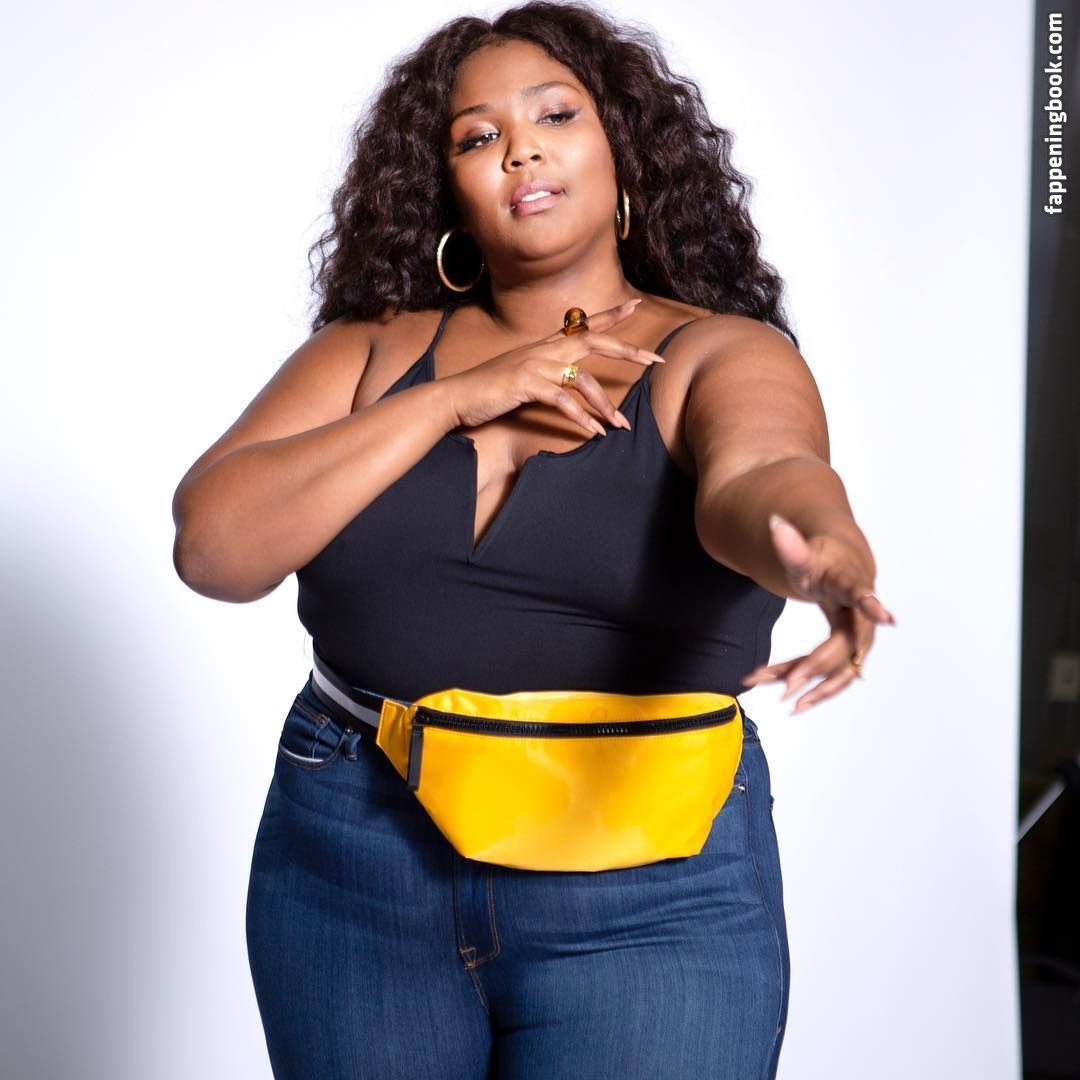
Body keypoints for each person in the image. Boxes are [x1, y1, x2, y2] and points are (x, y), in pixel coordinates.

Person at [171, 3, 895, 1076]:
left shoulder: (716, 353)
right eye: (478, 136)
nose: (521, 150)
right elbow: (213, 548)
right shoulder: (370, 354)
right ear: (446, 187)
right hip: (355, 849)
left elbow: (765, 475)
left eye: (556, 114)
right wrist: (451, 398)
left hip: (649, 869)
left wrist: (825, 551)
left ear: (624, 153)